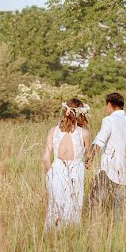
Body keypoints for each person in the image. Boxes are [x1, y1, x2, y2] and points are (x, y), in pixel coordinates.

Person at [86, 92, 126, 221]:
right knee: (119, 213)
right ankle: (116, 237)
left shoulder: (109, 120)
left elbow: (99, 140)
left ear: (109, 104)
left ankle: (95, 235)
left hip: (108, 170)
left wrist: (90, 158)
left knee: (96, 206)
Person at [43, 98, 91, 230]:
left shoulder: (53, 131)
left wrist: (50, 174)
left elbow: (46, 157)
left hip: (56, 170)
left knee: (55, 206)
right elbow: (89, 155)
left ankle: (53, 235)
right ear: (80, 114)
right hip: (75, 171)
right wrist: (88, 162)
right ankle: (71, 234)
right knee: (73, 206)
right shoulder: (84, 133)